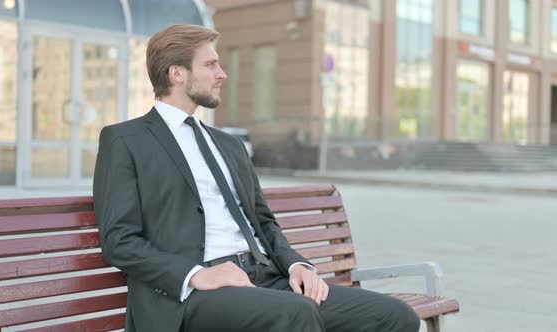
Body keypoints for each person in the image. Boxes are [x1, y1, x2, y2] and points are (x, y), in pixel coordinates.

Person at [93, 24, 420, 332]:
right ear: (177, 73)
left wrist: (296, 266)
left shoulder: (228, 144)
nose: (222, 74)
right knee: (297, 313)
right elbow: (119, 241)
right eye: (211, 65)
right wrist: (196, 275)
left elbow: (263, 221)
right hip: (189, 294)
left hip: (264, 277)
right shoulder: (125, 140)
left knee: (395, 317)